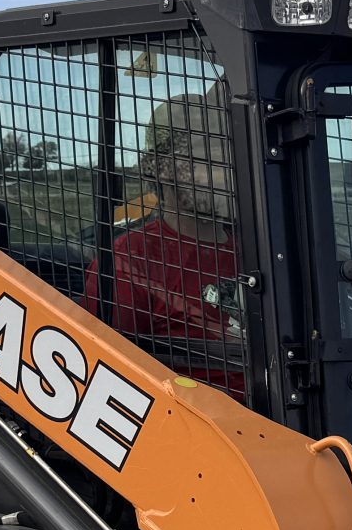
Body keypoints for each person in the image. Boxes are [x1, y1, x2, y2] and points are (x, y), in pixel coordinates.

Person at [83, 80, 245, 391]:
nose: (224, 171)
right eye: (204, 157)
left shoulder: (263, 249)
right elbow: (104, 377)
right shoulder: (130, 260)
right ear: (159, 166)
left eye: (228, 154)